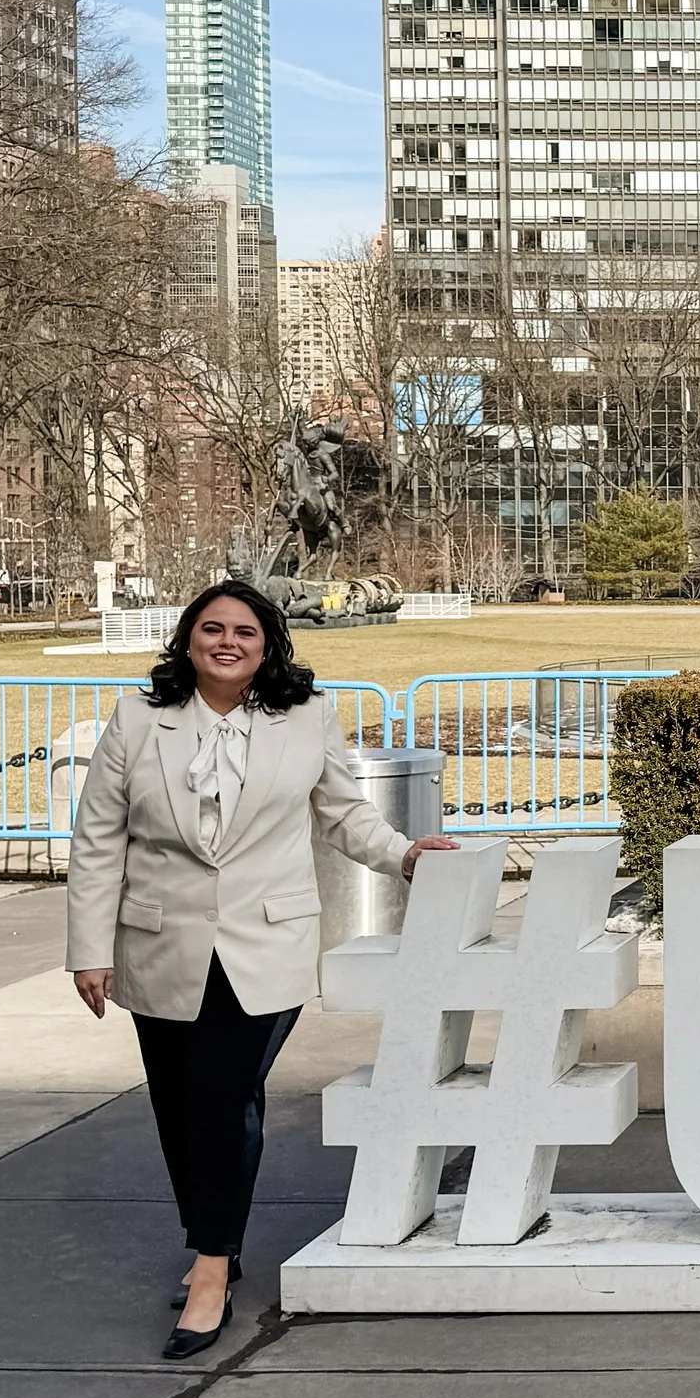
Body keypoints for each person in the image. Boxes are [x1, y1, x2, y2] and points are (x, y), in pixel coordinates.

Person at [67, 579, 457, 1355]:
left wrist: (405, 853)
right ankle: (217, 1230)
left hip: (265, 947)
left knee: (222, 1094)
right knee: (180, 1105)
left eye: (245, 631)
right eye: (211, 628)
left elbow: (343, 814)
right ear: (187, 639)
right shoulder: (139, 719)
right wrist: (88, 948)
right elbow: (98, 837)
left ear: (268, 644)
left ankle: (210, 1268)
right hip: (158, 944)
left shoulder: (306, 717)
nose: (227, 641)